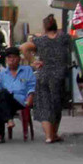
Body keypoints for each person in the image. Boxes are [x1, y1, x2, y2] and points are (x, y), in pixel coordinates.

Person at [29, 14, 76, 144]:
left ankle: (48, 136)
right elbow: (77, 40)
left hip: (43, 75)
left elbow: (24, 47)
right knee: (56, 105)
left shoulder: (39, 40)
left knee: (44, 105)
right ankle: (54, 134)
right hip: (59, 76)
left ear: (44, 27)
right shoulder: (64, 38)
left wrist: (33, 61)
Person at [0, 46, 37, 143]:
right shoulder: (3, 73)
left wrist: (30, 97)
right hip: (7, 101)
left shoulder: (27, 70)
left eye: (14, 57)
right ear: (6, 60)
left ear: (19, 58)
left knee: (1, 101)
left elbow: (32, 85)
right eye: (9, 58)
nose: (12, 60)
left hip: (20, 100)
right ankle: (8, 121)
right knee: (1, 96)